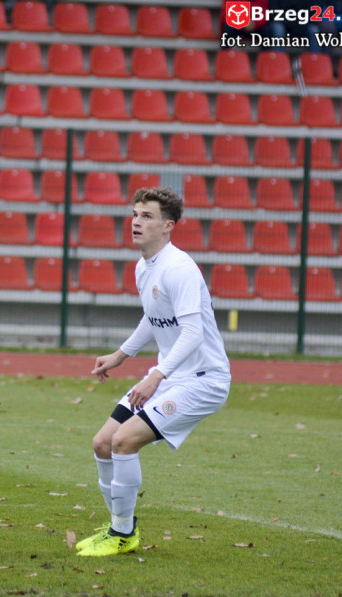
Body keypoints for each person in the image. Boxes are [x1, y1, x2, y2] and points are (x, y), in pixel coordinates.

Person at [76, 187, 231, 557]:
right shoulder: (144, 266)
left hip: (203, 380)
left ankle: (121, 533)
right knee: (102, 443)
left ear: (168, 226)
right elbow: (154, 317)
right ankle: (120, 527)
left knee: (123, 442)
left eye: (147, 216)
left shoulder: (179, 269)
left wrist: (155, 375)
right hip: (173, 375)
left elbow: (192, 333)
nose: (136, 222)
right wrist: (120, 355)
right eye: (134, 214)